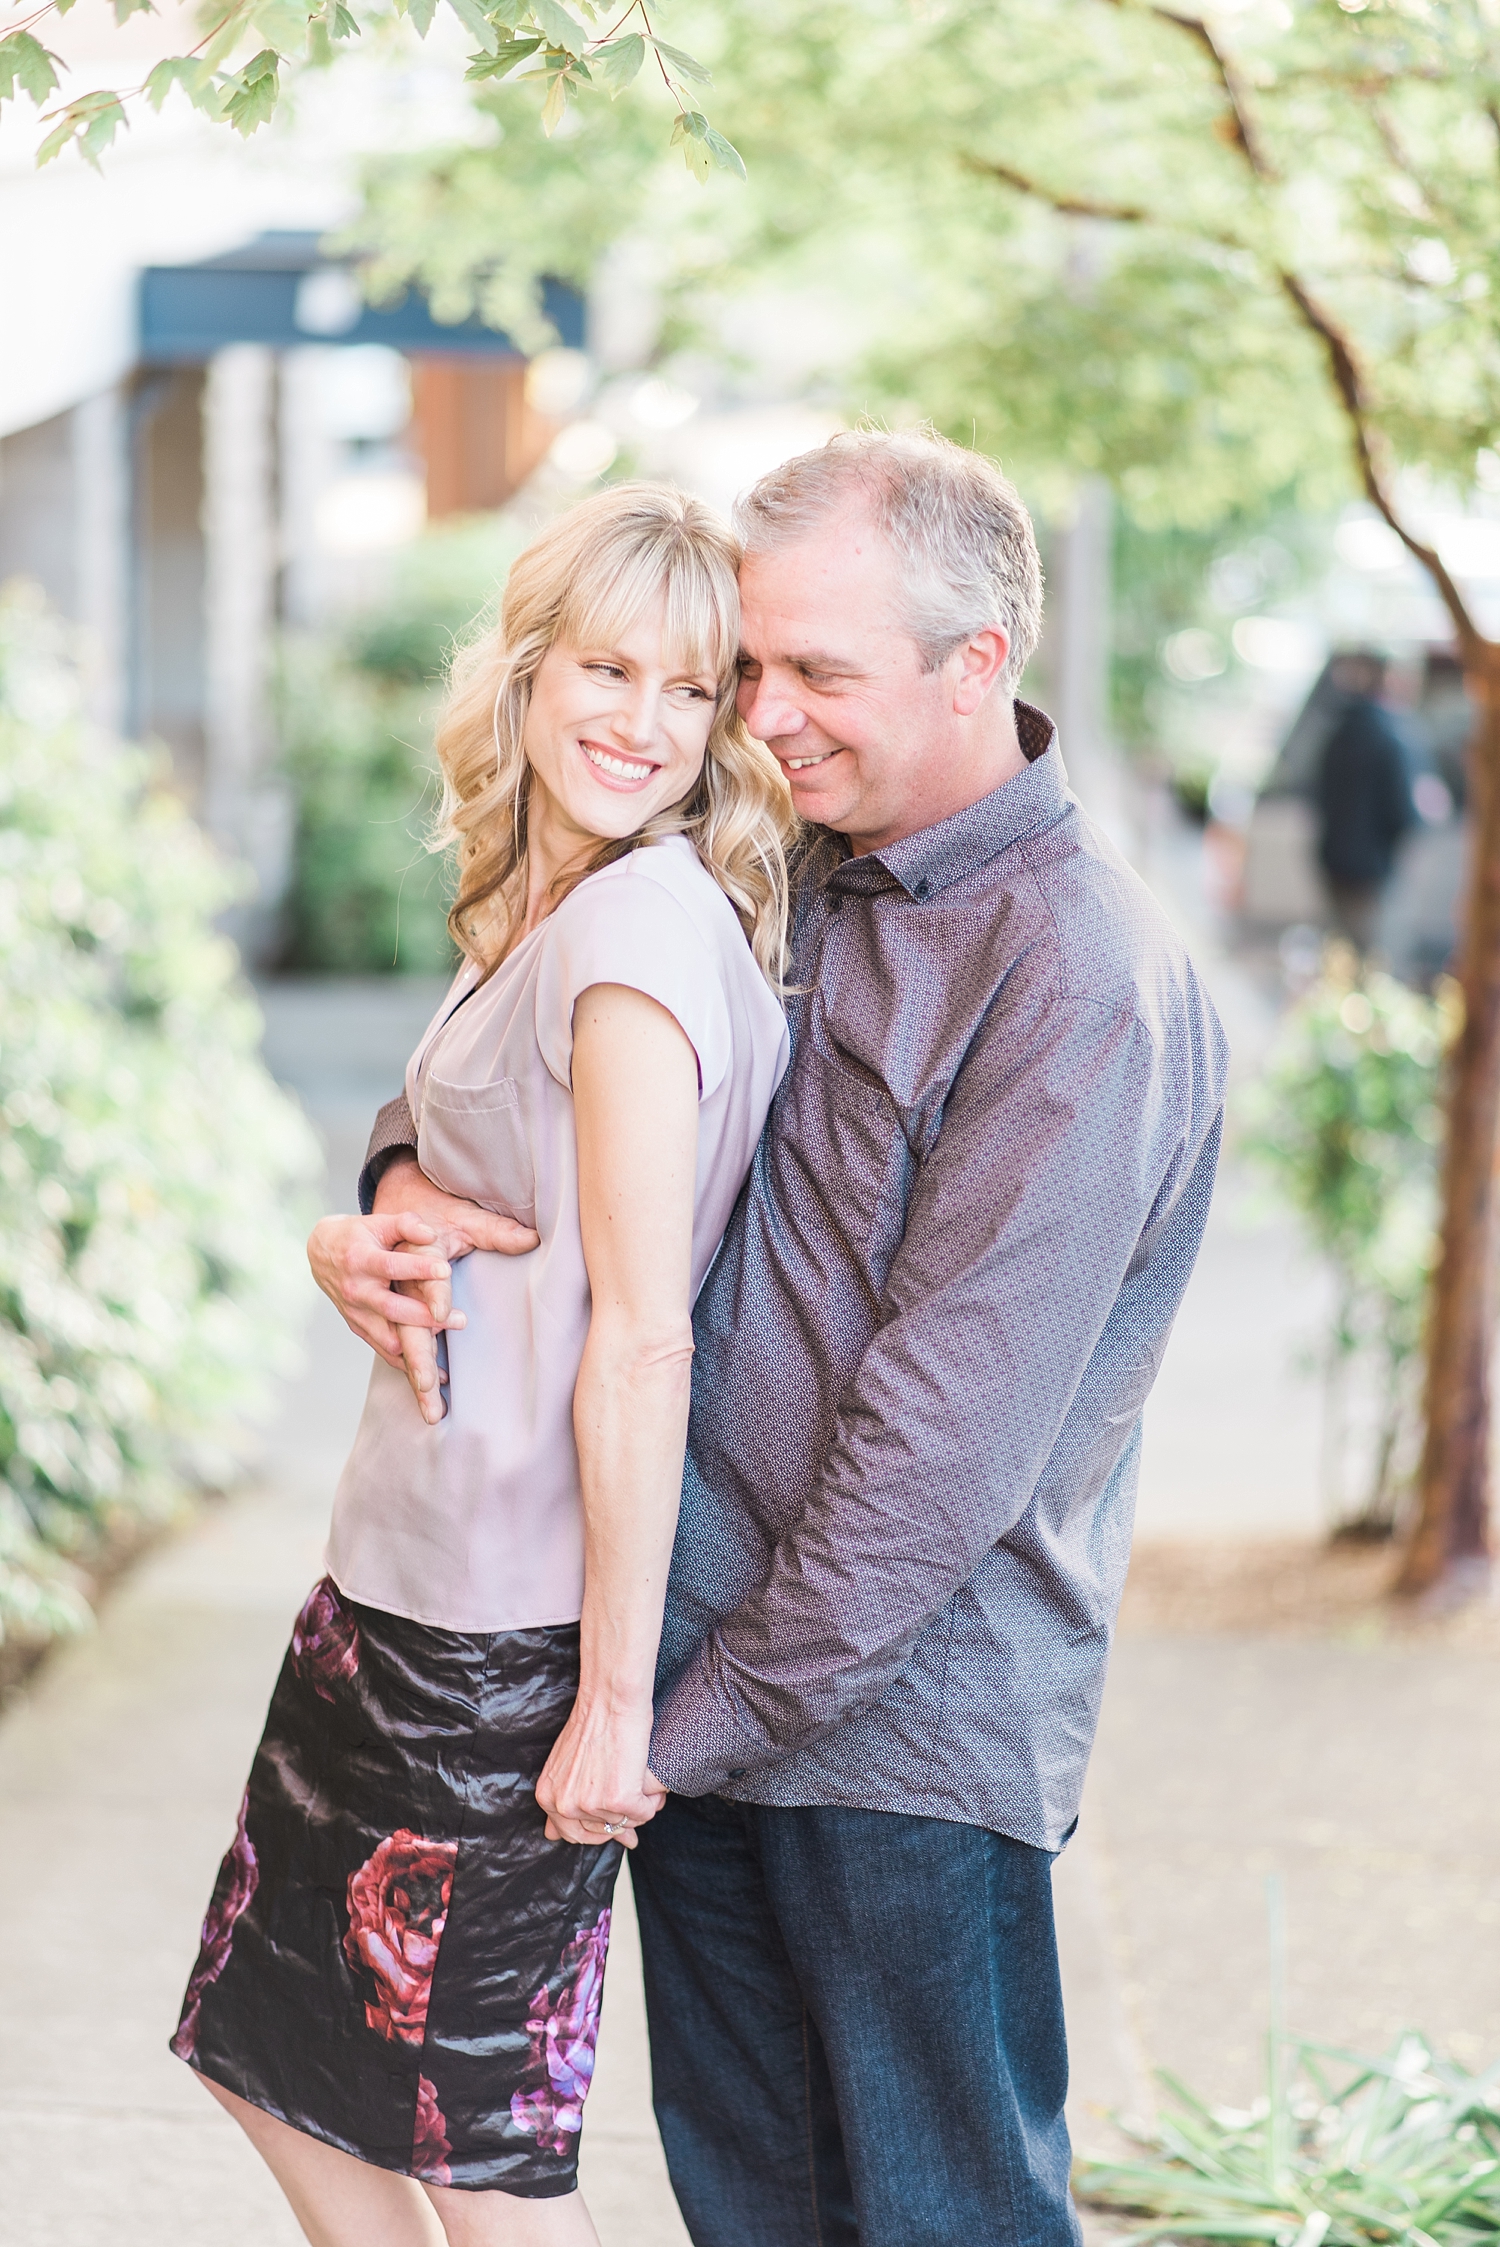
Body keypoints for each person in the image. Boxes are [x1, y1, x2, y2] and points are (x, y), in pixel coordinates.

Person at [319, 430, 1230, 2247]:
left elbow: (934, 1463)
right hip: (692, 1701)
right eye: (756, 665)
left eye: (819, 670)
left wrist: (655, 1724)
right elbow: (550, 1063)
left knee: (936, 2216)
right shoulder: (768, 862)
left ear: (979, 663)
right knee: (758, 2214)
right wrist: (402, 1188)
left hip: (898, 1746)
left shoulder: (1077, 979)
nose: (767, 710)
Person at [171, 483, 793, 2247]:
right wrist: (375, 1210)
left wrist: (608, 1693)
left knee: (471, 2157)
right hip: (401, 1581)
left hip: (499, 1637)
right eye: (610, 667)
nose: (645, 724)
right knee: (267, 2046)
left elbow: (646, 1327)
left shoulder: (640, 934)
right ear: (528, 671)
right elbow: (469, 1165)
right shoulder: (559, 900)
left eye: (694, 689)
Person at [1315, 650, 1416, 952]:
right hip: (1370, 865)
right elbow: (1402, 811)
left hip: (1333, 857)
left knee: (1339, 947)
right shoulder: (1391, 737)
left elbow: (1319, 792)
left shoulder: (1338, 731)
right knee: (1368, 951)